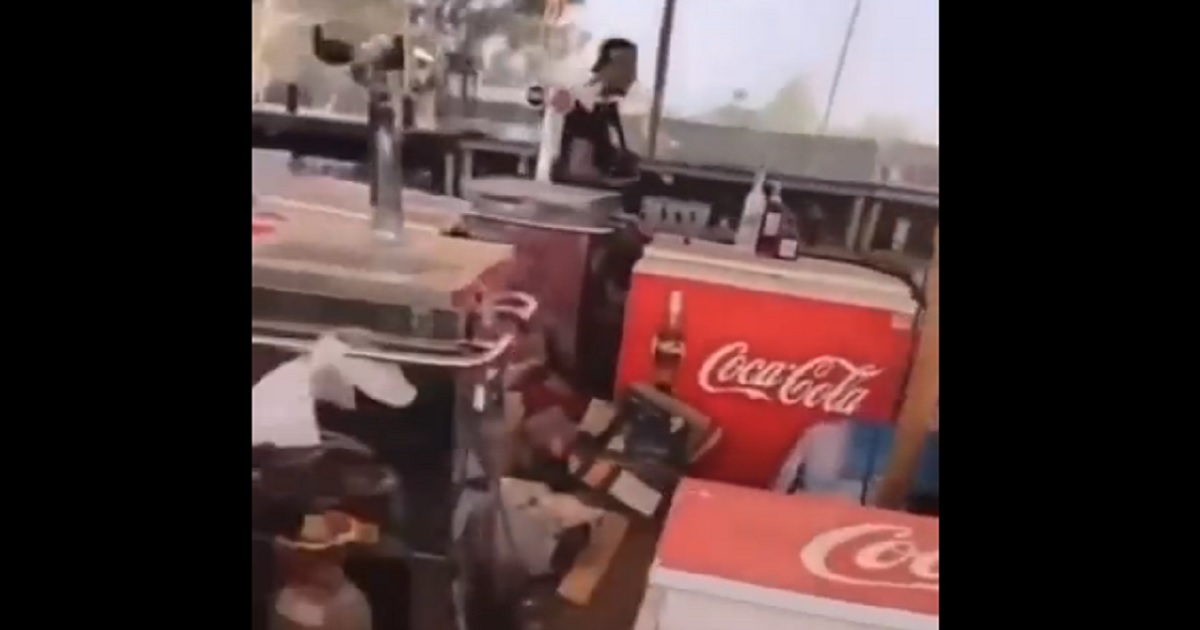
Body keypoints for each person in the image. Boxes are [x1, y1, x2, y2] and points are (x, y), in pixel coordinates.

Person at [552, 37, 661, 215]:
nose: (632, 77)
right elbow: (578, 169)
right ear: (607, 68)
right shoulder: (584, 108)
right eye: (626, 68)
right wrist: (624, 183)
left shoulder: (607, 108)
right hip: (581, 204)